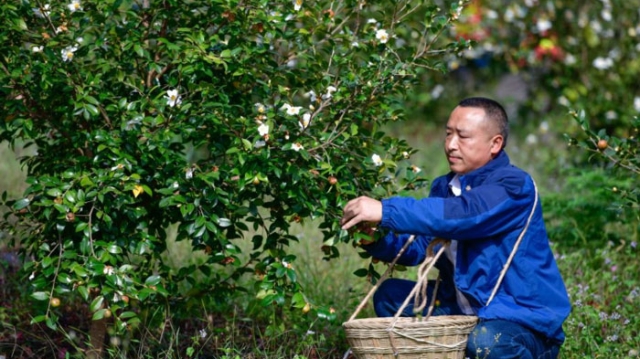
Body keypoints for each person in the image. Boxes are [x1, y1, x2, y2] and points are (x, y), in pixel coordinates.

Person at [340, 97, 571, 359]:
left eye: (463, 136)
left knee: (487, 341)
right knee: (389, 296)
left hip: (519, 321)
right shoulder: (445, 187)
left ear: (495, 143)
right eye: (448, 134)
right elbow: (419, 247)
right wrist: (375, 240)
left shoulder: (514, 186)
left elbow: (464, 215)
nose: (451, 145)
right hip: (462, 310)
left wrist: (386, 210)